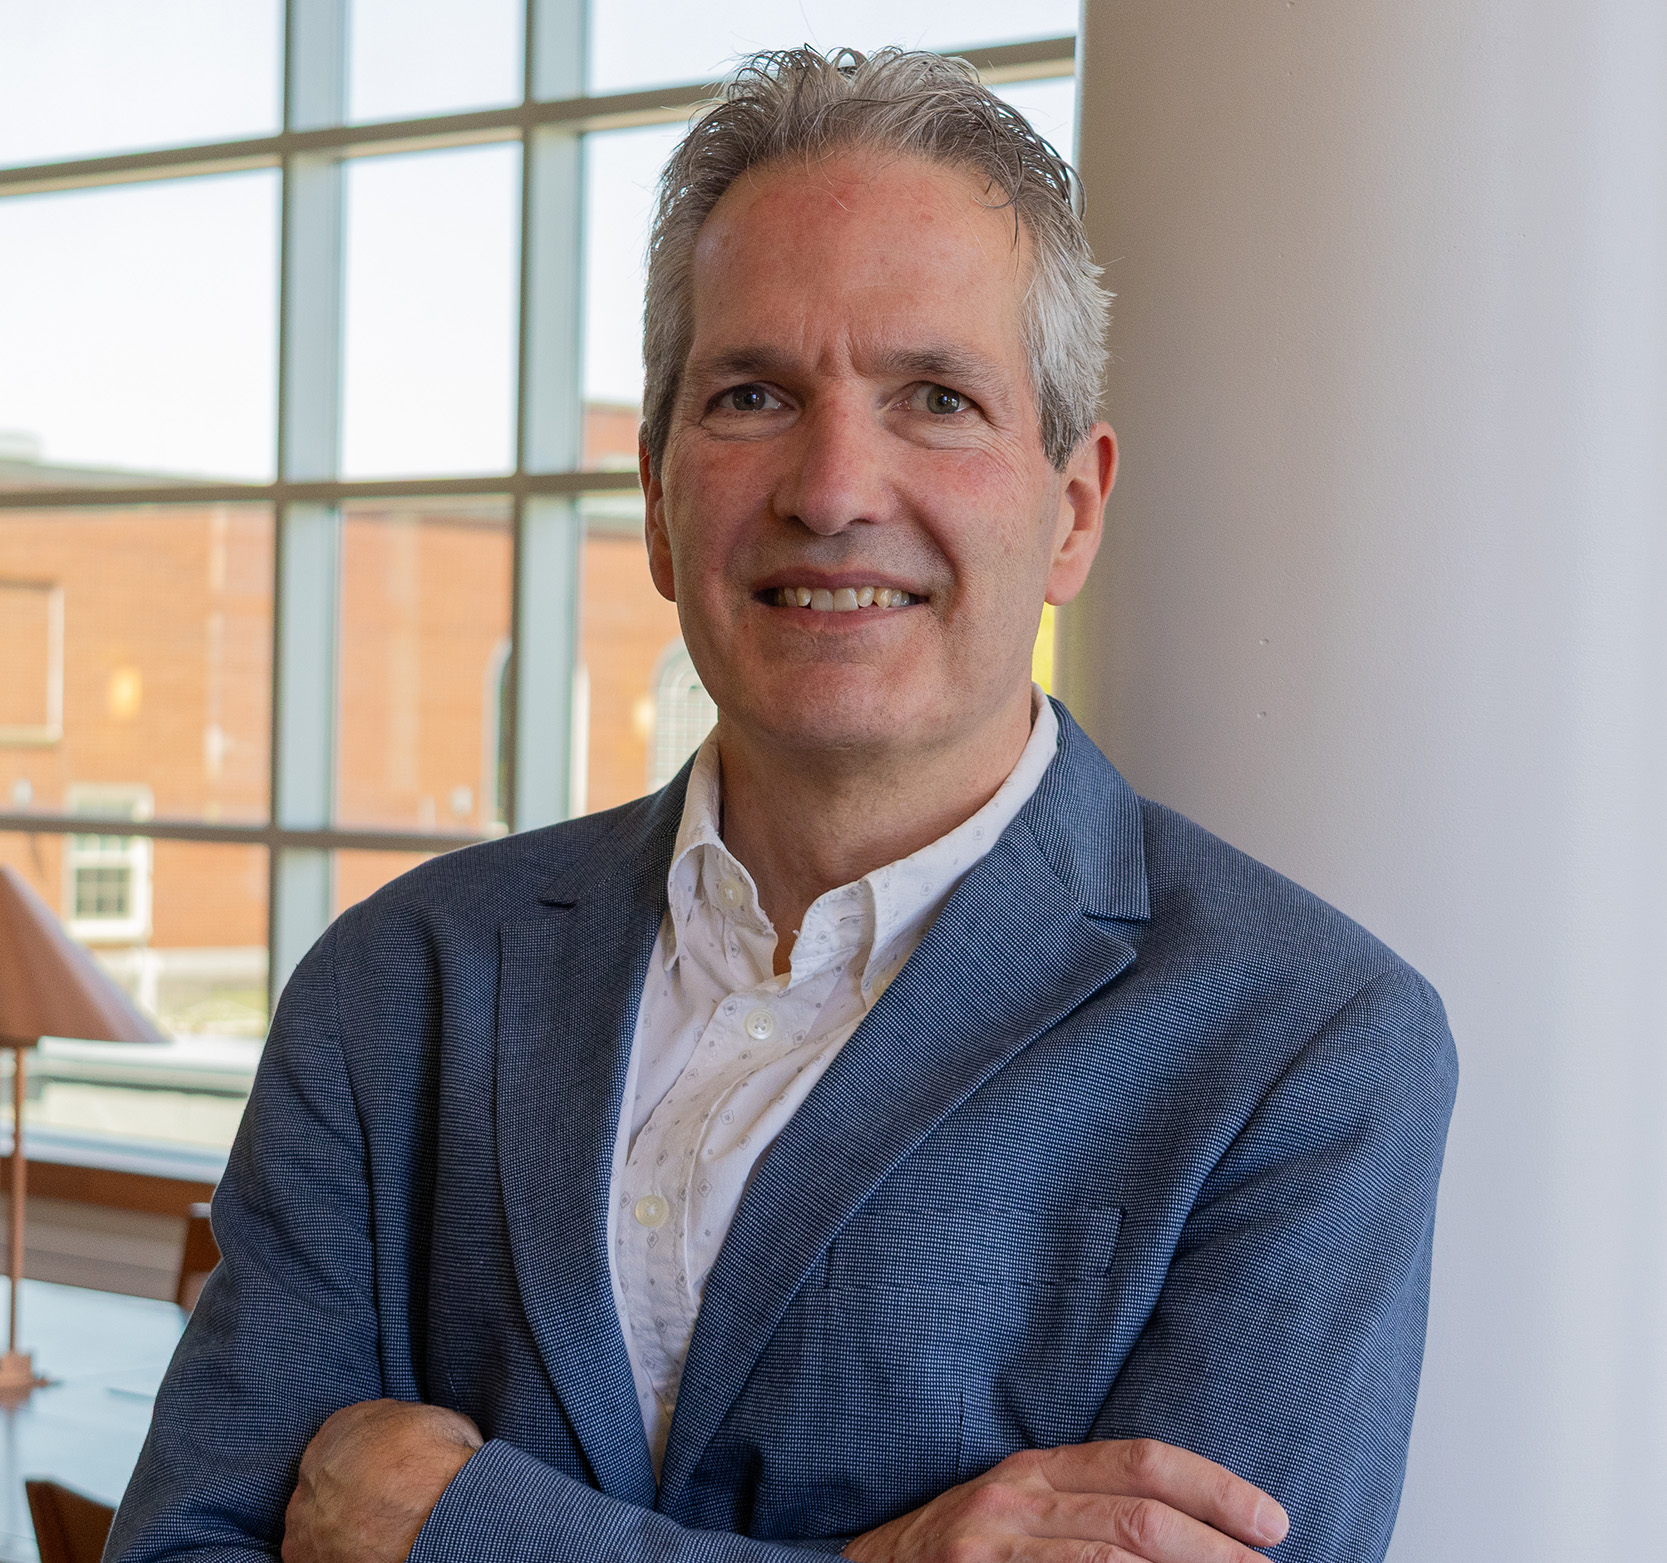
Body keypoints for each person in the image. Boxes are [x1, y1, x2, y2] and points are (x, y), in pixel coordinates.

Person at [108, 48, 1456, 1563]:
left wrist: (461, 1528)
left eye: (936, 398)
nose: (833, 488)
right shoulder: (398, 984)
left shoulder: (1306, 1045)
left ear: (1071, 510)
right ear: (658, 500)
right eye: (753, 395)